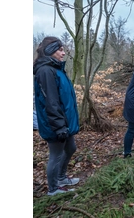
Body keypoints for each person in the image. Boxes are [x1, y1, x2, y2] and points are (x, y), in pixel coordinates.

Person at [33, 36, 80, 196]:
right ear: (50, 51)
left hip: (63, 122)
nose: (63, 53)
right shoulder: (45, 71)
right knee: (56, 154)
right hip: (54, 124)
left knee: (71, 148)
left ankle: (61, 177)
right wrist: (59, 127)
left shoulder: (56, 69)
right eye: (60, 50)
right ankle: (53, 189)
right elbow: (51, 102)